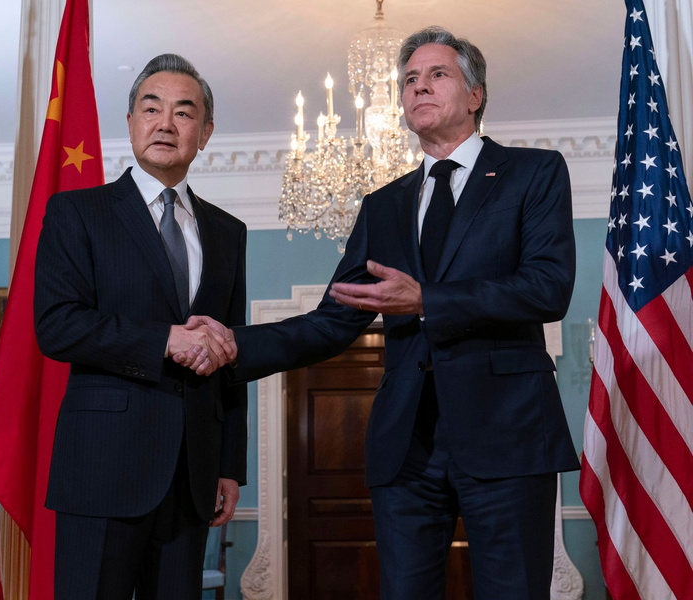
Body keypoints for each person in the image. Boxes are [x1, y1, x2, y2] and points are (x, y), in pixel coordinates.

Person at [177, 26, 579, 599]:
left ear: (475, 94)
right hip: (406, 449)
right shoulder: (383, 205)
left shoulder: (533, 174)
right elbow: (333, 319)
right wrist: (238, 344)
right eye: (409, 79)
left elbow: (546, 288)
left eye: (436, 74)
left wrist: (426, 301)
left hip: (509, 438)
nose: (418, 87)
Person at [33, 53, 245, 599]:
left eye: (184, 112)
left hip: (193, 475)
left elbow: (230, 356)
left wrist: (229, 466)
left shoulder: (229, 232)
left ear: (205, 132)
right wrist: (165, 340)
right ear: (130, 123)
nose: (166, 123)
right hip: (101, 466)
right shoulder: (76, 212)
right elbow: (57, 326)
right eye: (151, 109)